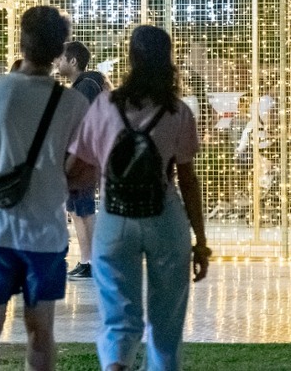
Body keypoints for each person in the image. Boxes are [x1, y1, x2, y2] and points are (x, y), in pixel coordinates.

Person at [0, 6, 89, 371]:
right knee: (41, 331)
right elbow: (89, 170)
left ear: (21, 43)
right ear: (59, 50)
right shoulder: (72, 103)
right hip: (46, 234)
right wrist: (55, 178)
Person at [66, 25, 209, 371]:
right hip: (164, 217)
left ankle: (116, 364)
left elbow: (74, 168)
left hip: (115, 218)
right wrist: (200, 241)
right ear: (168, 59)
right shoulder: (178, 112)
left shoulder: (103, 105)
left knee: (119, 321)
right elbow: (188, 181)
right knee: (165, 325)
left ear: (130, 58)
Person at [53, 40, 108, 281]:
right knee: (77, 209)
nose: (57, 62)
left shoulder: (85, 86)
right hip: (80, 155)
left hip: (82, 157)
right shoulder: (86, 85)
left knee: (83, 209)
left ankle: (93, 260)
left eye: (61, 58)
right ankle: (87, 260)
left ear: (73, 61)